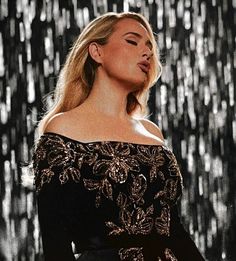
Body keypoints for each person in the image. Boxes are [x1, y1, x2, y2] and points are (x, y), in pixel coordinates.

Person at [32, 12, 205, 261]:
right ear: (96, 52)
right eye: (132, 42)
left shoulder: (151, 132)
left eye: (149, 47)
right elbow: (55, 241)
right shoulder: (62, 129)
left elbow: (174, 230)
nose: (147, 53)